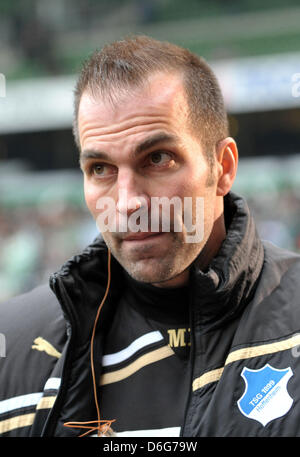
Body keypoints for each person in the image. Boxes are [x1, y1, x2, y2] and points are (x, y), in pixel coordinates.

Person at [1, 35, 300, 438]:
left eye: (158, 158)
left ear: (223, 168)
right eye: (101, 168)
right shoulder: (15, 349)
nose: (127, 203)